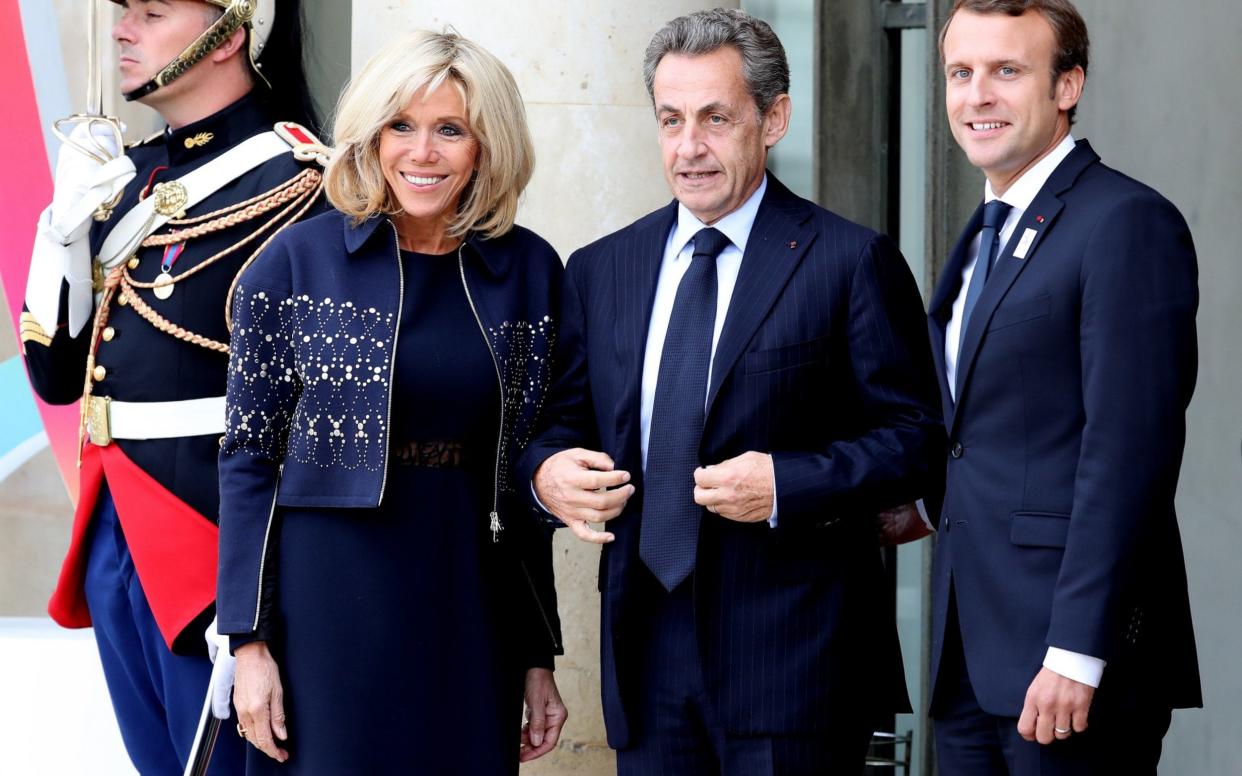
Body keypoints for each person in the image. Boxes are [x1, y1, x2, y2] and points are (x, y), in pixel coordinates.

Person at [521, 9, 942, 774]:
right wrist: (549, 476)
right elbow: (556, 428)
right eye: (672, 119)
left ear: (773, 117)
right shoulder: (600, 270)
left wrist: (787, 483)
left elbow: (915, 442)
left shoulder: (851, 261)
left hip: (796, 672)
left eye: (716, 118)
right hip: (646, 665)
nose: (689, 148)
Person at [216, 30, 568, 774]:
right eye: (400, 126)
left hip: (471, 592)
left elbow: (526, 465)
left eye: (451, 130)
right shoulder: (295, 263)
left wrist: (538, 652)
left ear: (487, 145)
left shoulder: (530, 271)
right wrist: (246, 642)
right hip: (329, 597)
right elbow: (248, 459)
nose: (423, 152)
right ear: (370, 138)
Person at [20, 1, 324, 772]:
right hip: (116, 532)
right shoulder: (133, 178)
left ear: (231, 34)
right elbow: (57, 379)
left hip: (217, 547)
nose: (125, 29)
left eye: (153, 12)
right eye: (125, 12)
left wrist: (262, 599)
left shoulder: (301, 184)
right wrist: (61, 230)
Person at [926, 1, 1202, 772]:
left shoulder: (1125, 223)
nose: (977, 95)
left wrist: (1080, 650)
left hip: (1069, 664)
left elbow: (1130, 455)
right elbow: (981, 430)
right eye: (961, 72)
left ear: (1067, 85)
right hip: (971, 655)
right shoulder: (986, 230)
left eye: (1006, 71)